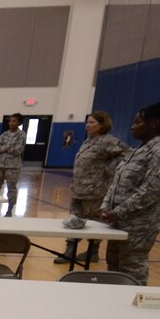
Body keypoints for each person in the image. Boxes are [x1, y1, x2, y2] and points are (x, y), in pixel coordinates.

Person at [100, 102, 160, 285]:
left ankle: (134, 303)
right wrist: (106, 206)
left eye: (138, 122)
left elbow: (150, 192)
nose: (132, 126)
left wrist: (117, 212)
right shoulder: (137, 151)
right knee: (114, 268)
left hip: (139, 225)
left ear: (154, 123)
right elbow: (116, 182)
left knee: (132, 272)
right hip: (118, 221)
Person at [55, 110, 128, 264]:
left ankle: (92, 252)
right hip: (78, 189)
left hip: (95, 191)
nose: (87, 125)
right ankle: (70, 251)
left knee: (95, 222)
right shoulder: (88, 141)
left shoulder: (108, 141)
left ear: (102, 124)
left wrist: (108, 169)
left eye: (92, 122)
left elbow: (127, 154)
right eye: (87, 122)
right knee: (74, 219)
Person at [0, 113, 25, 216]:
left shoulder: (21, 135)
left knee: (11, 188)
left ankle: (9, 210)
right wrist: (8, 147)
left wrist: (4, 148)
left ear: (19, 123)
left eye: (14, 121)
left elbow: (18, 150)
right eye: (10, 121)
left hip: (13, 167)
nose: (11, 123)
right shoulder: (4, 134)